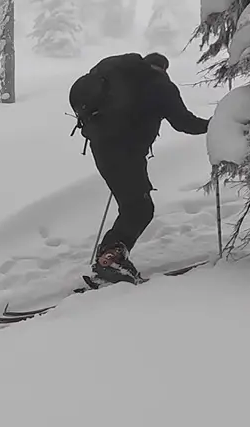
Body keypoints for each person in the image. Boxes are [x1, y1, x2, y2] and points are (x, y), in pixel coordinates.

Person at [71, 52, 210, 285]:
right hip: (127, 152)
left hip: (101, 148)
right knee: (140, 208)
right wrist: (214, 124)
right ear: (163, 68)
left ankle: (110, 258)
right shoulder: (160, 85)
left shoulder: (111, 70)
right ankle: (110, 260)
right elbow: (184, 123)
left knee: (133, 205)